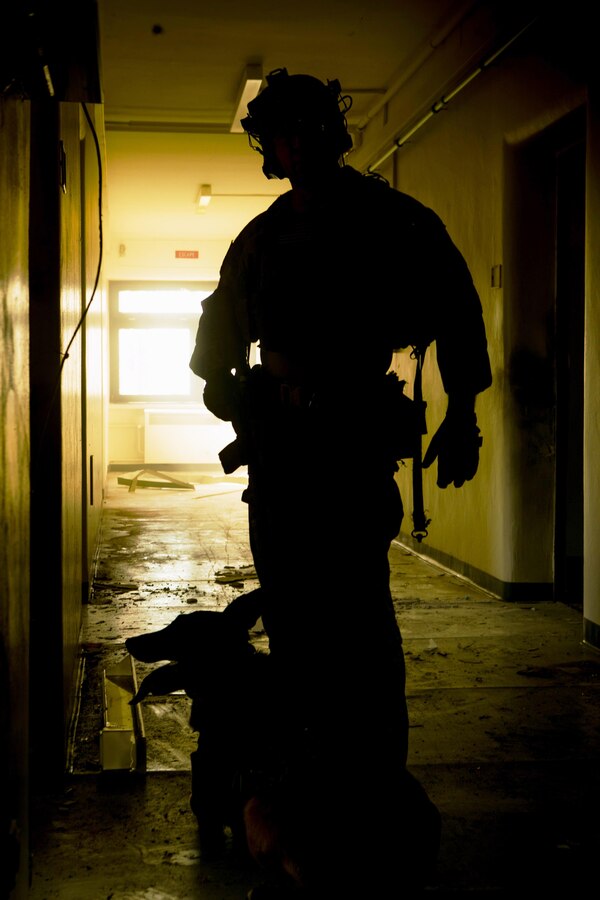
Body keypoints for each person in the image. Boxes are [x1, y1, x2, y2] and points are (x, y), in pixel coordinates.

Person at [189, 67, 492, 895]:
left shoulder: (394, 222)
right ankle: (308, 784)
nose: (293, 145)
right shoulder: (257, 240)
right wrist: (229, 390)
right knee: (292, 618)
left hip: (353, 442)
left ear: (332, 132)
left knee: (359, 614)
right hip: (284, 450)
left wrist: (463, 412)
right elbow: (215, 337)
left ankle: (375, 785)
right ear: (268, 148)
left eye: (305, 129)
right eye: (278, 134)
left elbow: (458, 311)